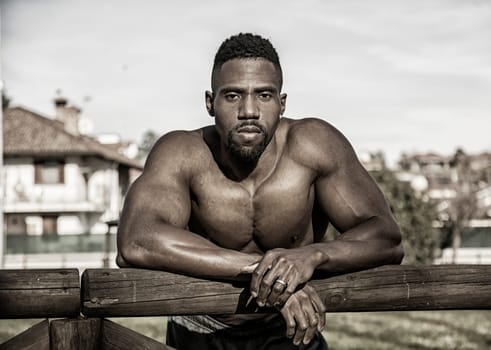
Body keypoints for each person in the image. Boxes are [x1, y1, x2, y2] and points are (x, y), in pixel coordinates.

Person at [117, 33, 403, 349]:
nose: (249, 110)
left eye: (264, 95)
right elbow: (136, 241)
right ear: (210, 103)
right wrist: (271, 274)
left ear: (281, 103)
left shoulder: (314, 146)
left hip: (289, 332)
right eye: (233, 96)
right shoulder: (182, 152)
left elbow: (386, 238)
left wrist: (312, 256)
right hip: (200, 332)